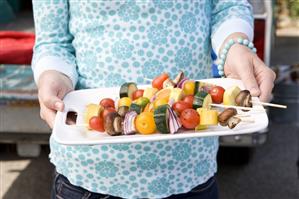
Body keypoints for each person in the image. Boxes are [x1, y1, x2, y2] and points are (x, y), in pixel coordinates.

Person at [32, 1, 276, 199]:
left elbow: (228, 6)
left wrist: (235, 46)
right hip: (91, 173)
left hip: (189, 167)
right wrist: (53, 73)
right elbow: (53, 41)